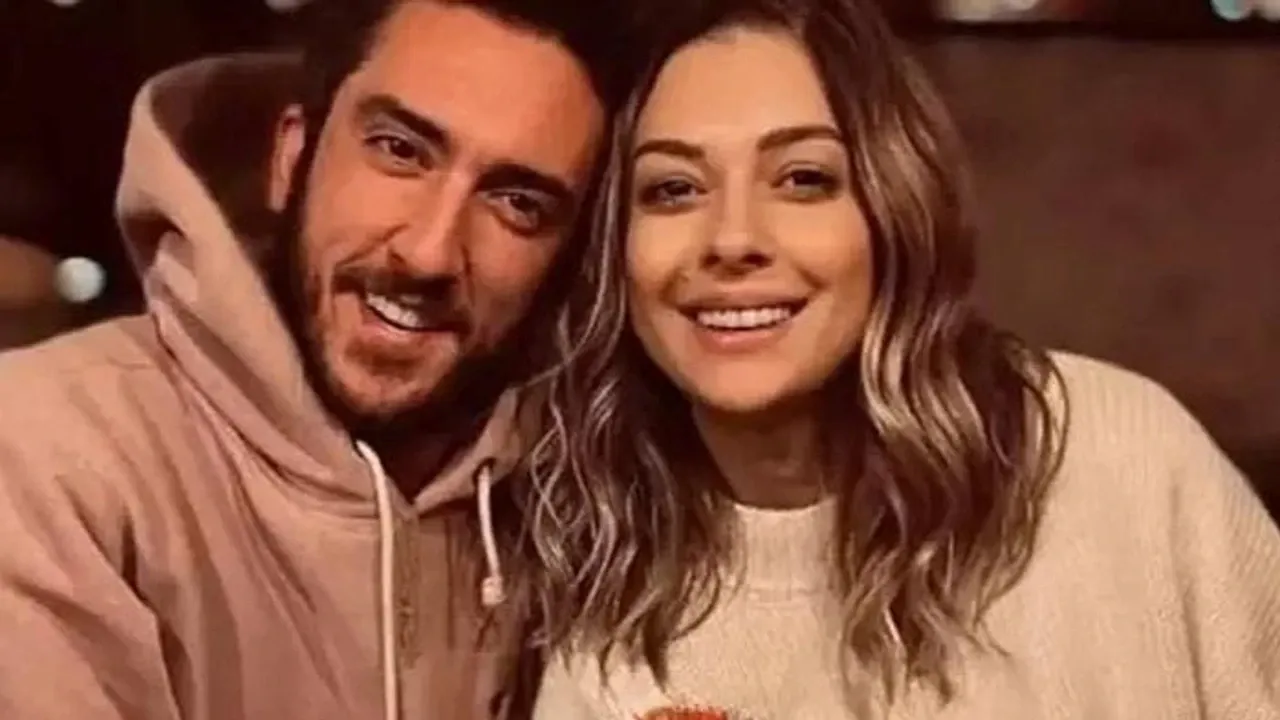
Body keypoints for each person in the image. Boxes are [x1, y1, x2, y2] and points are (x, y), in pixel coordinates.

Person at [509, 0, 1280, 717]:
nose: (732, 238)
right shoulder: (599, 576)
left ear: (895, 211)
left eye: (804, 180)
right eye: (673, 189)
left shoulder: (1117, 461)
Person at [0, 0, 642, 717]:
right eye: (400, 150)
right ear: (290, 156)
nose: (429, 253)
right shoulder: (50, 455)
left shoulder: (577, 506)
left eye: (518, 203)